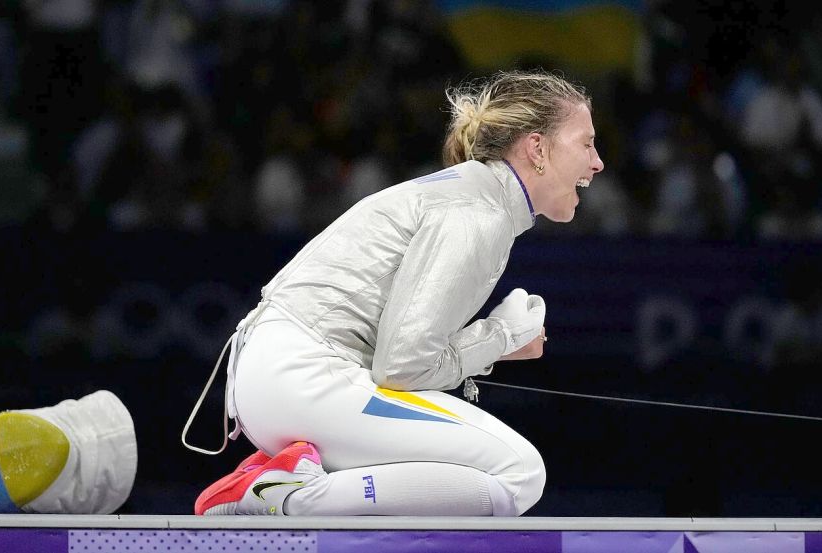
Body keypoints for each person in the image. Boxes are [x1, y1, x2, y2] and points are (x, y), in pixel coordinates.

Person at [182, 69, 605, 516]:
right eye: (586, 143)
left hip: (281, 380)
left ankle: (289, 480)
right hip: (304, 377)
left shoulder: (476, 198)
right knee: (518, 471)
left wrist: (500, 341)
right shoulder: (477, 212)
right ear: (537, 148)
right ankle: (286, 497)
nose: (597, 162)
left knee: (491, 472)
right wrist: (500, 337)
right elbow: (401, 368)